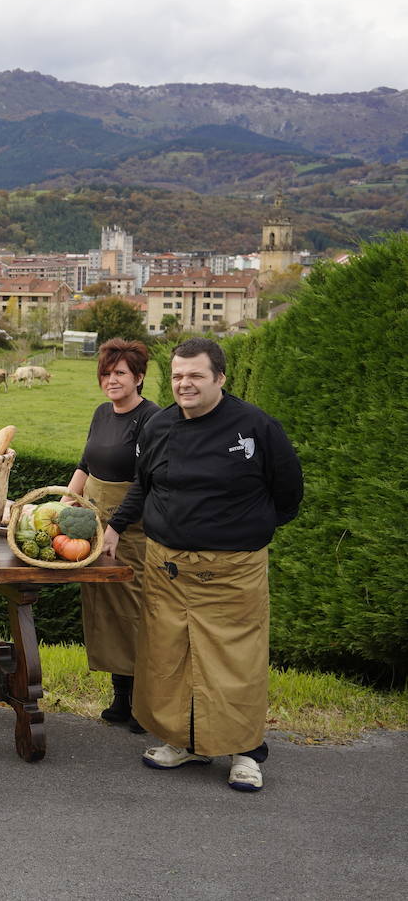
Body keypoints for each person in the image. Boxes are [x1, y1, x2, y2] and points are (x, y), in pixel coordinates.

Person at [104, 337, 302, 793]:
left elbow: (288, 494)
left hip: (233, 572)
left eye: (195, 375)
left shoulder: (256, 427)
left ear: (220, 379)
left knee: (235, 662)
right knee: (170, 658)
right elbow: (144, 485)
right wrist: (116, 525)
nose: (184, 384)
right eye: (177, 376)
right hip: (166, 568)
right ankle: (183, 741)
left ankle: (247, 752)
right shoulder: (159, 427)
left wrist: (239, 529)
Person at [65, 339, 160, 733]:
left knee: (135, 612)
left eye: (120, 373)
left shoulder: (152, 418)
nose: (111, 380)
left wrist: (116, 526)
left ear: (139, 376)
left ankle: (144, 702)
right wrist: (63, 504)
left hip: (132, 529)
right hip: (94, 523)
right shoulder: (102, 413)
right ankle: (120, 696)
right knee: (104, 610)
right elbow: (85, 464)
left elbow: (145, 481)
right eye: (106, 373)